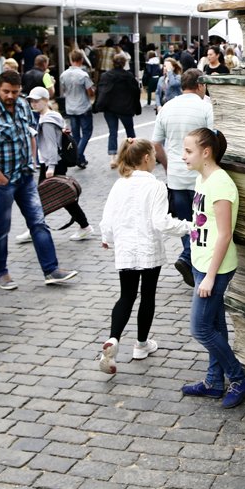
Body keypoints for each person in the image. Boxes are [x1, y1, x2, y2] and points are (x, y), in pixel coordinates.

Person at [0, 71, 78, 290]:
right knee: (1, 227)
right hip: (2, 180)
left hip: (25, 176)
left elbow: (30, 133)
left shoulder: (22, 106)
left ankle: (51, 270)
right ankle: (0, 272)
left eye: (15, 91)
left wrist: (31, 162)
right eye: (6, 91)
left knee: (38, 222)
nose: (10, 96)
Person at [97, 139, 194, 374]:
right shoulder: (156, 186)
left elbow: (108, 218)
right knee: (147, 296)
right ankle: (141, 345)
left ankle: (113, 338)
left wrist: (107, 237)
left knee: (126, 296)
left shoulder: (120, 184)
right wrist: (189, 227)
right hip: (148, 248)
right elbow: (160, 222)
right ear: (147, 158)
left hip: (126, 249)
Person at [179, 127, 245, 408]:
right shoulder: (203, 179)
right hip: (201, 263)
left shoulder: (221, 184)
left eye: (188, 151)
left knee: (200, 328)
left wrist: (209, 277)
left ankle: (238, 377)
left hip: (216, 269)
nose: (183, 156)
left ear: (205, 152)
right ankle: (213, 382)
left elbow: (224, 234)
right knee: (215, 327)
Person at [153, 69, 214, 285]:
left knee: (184, 222)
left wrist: (168, 165)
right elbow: (214, 139)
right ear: (200, 85)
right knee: (202, 221)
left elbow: (156, 144)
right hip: (200, 176)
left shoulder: (167, 107)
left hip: (176, 177)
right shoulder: (206, 107)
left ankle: (188, 257)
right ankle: (190, 260)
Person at [26, 87, 93, 242]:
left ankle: (84, 226)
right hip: (55, 162)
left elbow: (50, 145)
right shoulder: (53, 116)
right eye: (32, 101)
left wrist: (50, 167)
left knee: (53, 196)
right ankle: (35, 227)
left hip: (51, 163)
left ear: (45, 100)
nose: (33, 104)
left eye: (37, 101)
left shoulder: (47, 120)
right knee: (62, 195)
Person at [96, 54, 142, 168]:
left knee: (112, 131)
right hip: (124, 107)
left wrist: (97, 105)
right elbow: (136, 92)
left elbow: (100, 90)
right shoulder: (129, 76)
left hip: (109, 107)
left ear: (113, 62)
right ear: (124, 63)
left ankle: (113, 158)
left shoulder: (106, 76)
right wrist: (136, 107)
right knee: (130, 131)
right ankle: (134, 155)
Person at [58, 50, 95, 169]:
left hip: (70, 107)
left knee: (76, 134)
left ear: (70, 60)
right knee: (87, 132)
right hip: (83, 106)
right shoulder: (83, 75)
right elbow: (90, 92)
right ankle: (77, 156)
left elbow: (64, 90)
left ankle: (81, 159)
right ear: (81, 60)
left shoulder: (63, 75)